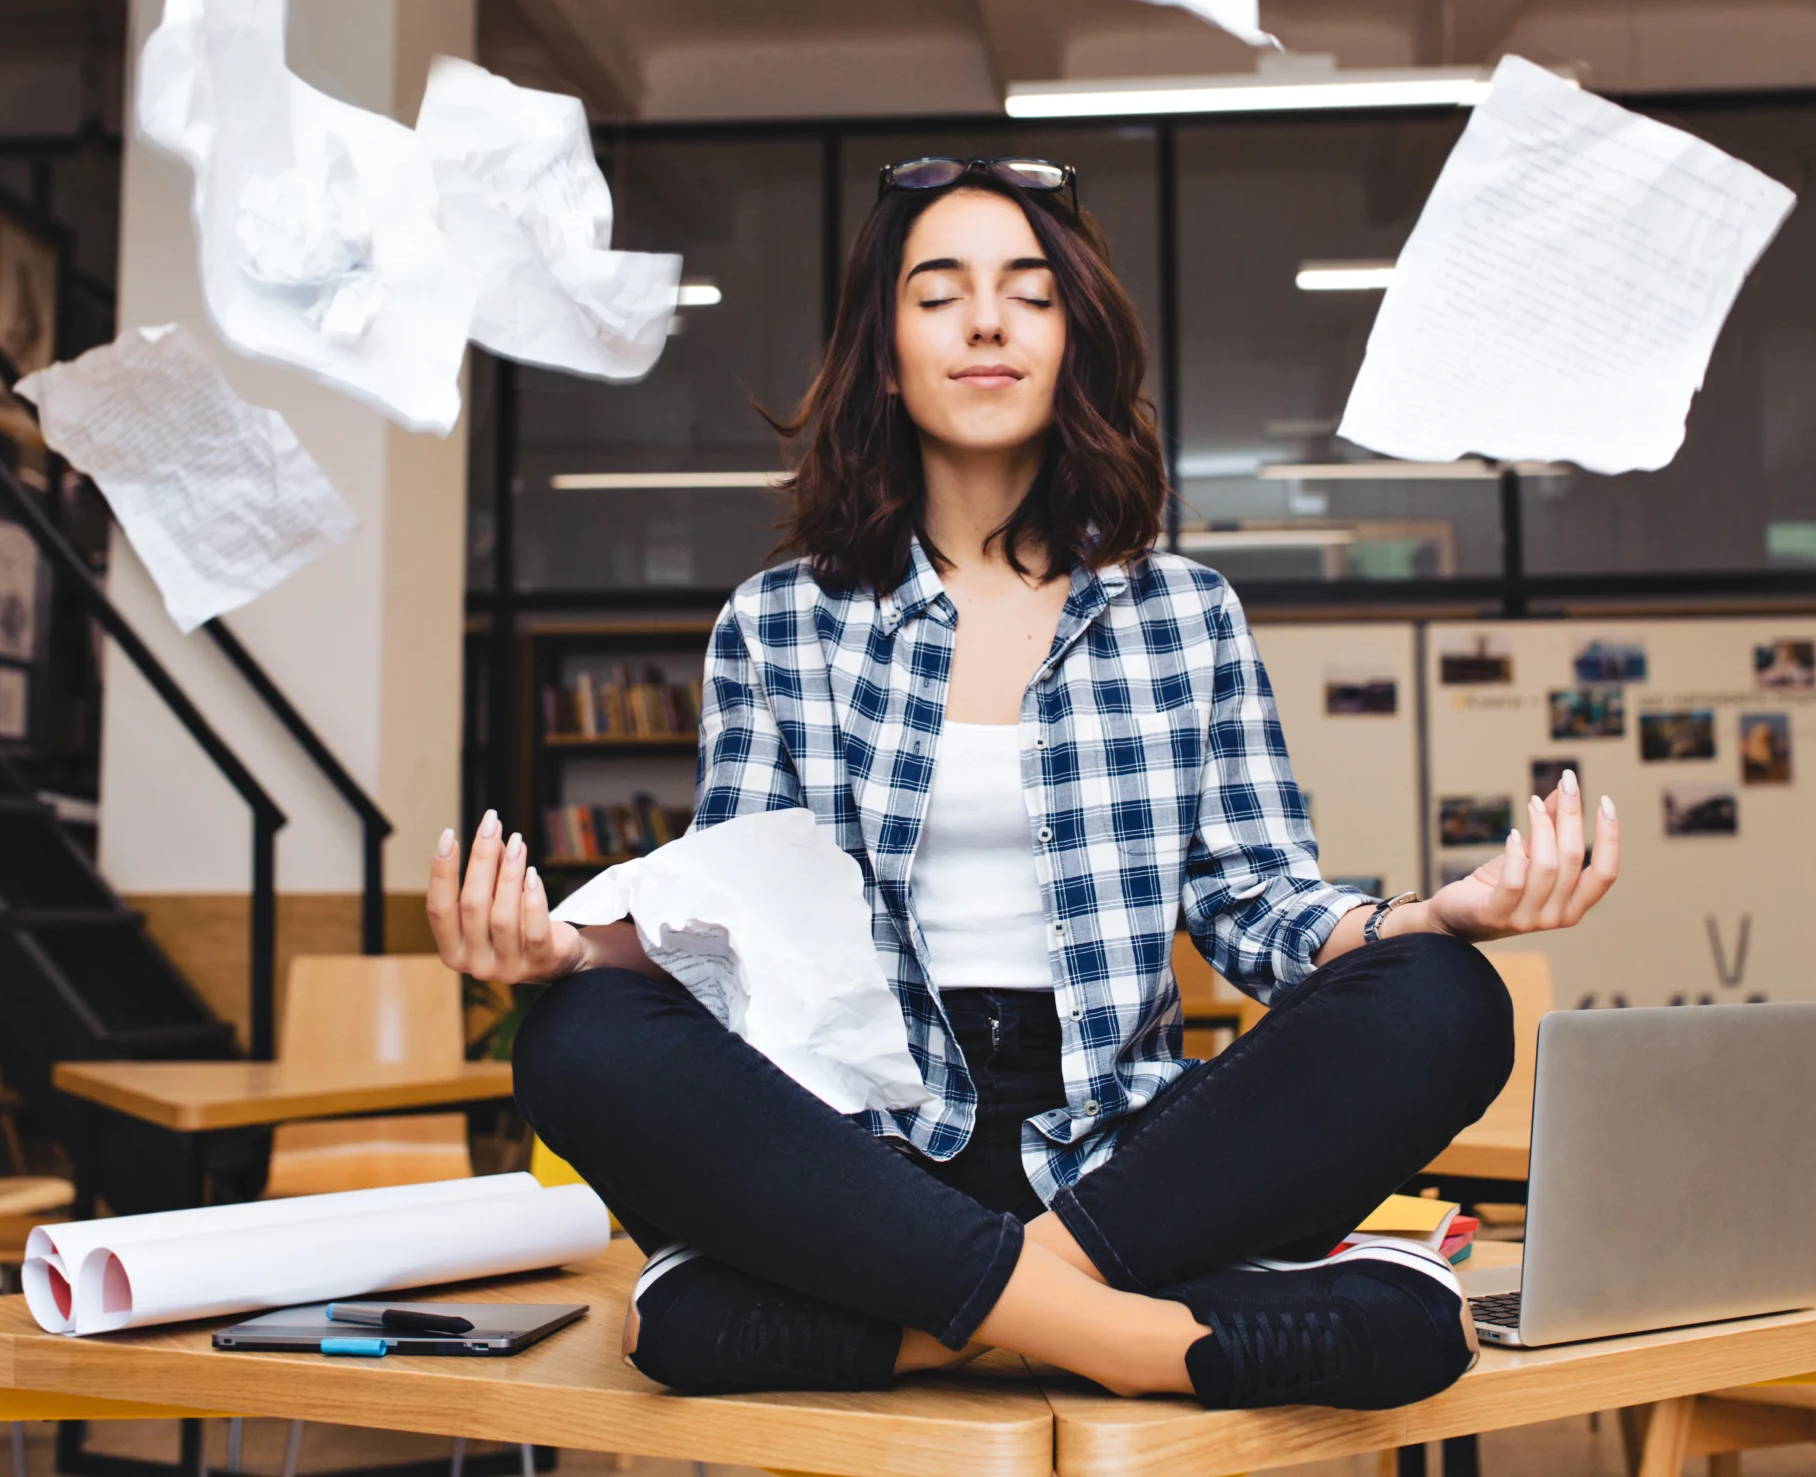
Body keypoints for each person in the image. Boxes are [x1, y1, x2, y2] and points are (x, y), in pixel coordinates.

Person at [426, 156, 1621, 1411]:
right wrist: (560, 955)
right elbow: (742, 933)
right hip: (861, 1152)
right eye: (939, 293)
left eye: (1027, 294)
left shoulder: (1182, 614)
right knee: (576, 1040)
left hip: (1127, 1160)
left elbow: (1254, 903)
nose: (986, 322)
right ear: (885, 356)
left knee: (1445, 998)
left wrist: (1437, 918)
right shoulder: (780, 621)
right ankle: (1136, 1343)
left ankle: (947, 1318)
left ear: (1072, 345)